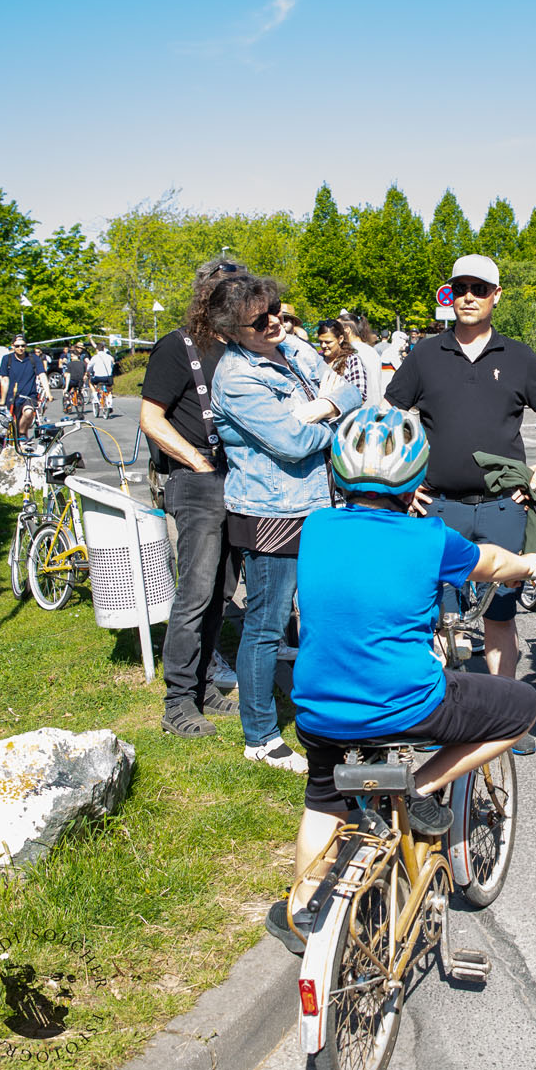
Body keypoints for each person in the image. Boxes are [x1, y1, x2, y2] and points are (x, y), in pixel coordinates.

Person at [264, 407, 536, 951]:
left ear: (340, 474)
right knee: (520, 706)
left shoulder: (316, 528)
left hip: (319, 711)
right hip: (409, 707)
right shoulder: (431, 540)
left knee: (322, 800)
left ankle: (301, 911)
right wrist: (527, 564)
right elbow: (488, 560)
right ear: (417, 478)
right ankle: (422, 785)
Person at [386, 254, 536, 756]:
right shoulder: (425, 355)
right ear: (450, 292)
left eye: (480, 288)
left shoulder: (519, 356)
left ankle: (504, 721)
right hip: (436, 508)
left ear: (496, 295)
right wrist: (401, 483)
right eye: (460, 286)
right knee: (438, 617)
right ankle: (440, 719)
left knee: (501, 616)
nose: (469, 295)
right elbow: (388, 416)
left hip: (500, 509)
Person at [211, 274, 362, 772]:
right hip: (271, 511)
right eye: (260, 318)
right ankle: (260, 735)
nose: (275, 320)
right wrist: (333, 418)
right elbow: (292, 444)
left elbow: (352, 395)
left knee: (320, 613)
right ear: (232, 330)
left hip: (321, 502)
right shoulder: (236, 377)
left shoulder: (295, 349)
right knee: (266, 623)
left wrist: (317, 410)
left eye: (275, 308)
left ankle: (324, 712)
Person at [142, 258, 248, 738]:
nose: (232, 297)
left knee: (222, 594)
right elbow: (151, 417)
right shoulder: (177, 346)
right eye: (223, 289)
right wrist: (197, 461)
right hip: (197, 479)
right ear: (205, 293)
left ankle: (204, 686)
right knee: (196, 592)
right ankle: (177, 703)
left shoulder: (241, 349)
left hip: (240, 481)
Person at [313, 318, 372, 405]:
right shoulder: (317, 360)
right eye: (320, 342)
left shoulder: (352, 360)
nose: (323, 345)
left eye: (328, 342)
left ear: (340, 339)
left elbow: (360, 395)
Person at [0, 335, 46, 436]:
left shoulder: (33, 358)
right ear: (12, 346)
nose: (20, 348)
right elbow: (4, 380)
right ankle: (18, 440)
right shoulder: (7, 359)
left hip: (29, 395)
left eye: (23, 346)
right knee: (13, 423)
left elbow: (42, 375)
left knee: (28, 413)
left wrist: (48, 393)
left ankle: (21, 433)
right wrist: (2, 400)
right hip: (13, 397)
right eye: (17, 346)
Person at [337, 310, 384, 402]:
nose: (335, 332)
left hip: (359, 409)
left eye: (337, 328)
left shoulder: (350, 351)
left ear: (347, 329)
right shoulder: (371, 350)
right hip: (374, 406)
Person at [88, 344, 116, 417]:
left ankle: (95, 397)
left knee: (91, 382)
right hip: (108, 377)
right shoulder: (109, 357)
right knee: (109, 389)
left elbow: (89, 367)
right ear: (104, 349)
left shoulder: (95, 357)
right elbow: (112, 366)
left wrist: (89, 372)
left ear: (97, 349)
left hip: (98, 377)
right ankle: (109, 403)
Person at [62, 344, 88, 417]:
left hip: (72, 381)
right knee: (79, 389)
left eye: (72, 356)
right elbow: (85, 373)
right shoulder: (83, 364)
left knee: (66, 391)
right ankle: (80, 397)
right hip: (80, 382)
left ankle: (67, 402)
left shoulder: (70, 364)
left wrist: (66, 387)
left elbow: (68, 375)